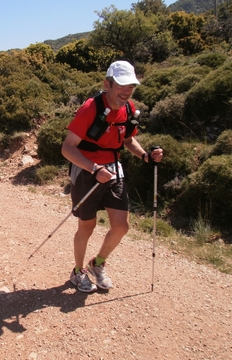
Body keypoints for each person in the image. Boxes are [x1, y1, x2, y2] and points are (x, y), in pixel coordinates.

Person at [61, 61, 164, 293]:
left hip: (114, 169)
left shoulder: (128, 109)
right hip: (87, 171)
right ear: (107, 84)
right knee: (87, 227)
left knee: (121, 226)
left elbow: (127, 141)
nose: (127, 91)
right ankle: (78, 273)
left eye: (131, 86)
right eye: (122, 85)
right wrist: (94, 168)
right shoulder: (90, 108)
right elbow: (67, 148)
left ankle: (97, 264)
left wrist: (145, 156)